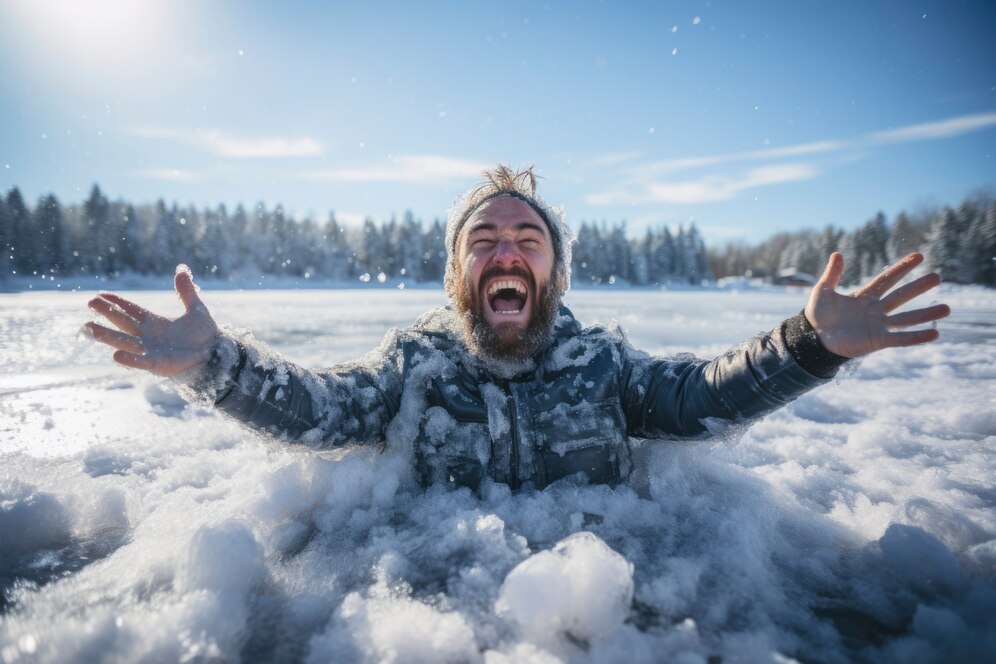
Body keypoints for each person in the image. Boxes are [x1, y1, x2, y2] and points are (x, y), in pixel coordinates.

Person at [85, 165, 950, 491]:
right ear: (462, 272)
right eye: (484, 240)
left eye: (527, 239)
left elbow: (694, 401)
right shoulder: (417, 363)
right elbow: (328, 410)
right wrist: (216, 367)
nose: (506, 251)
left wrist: (806, 348)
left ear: (552, 274)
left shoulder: (601, 362)